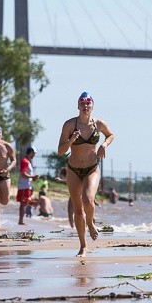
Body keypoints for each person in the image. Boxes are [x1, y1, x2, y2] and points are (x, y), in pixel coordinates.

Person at [58, 91, 115, 256]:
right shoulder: (69, 125)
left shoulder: (99, 124)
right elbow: (61, 151)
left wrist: (104, 144)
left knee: (88, 199)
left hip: (92, 168)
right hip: (73, 170)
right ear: (78, 106)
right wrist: (70, 141)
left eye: (88, 103)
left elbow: (111, 135)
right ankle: (83, 246)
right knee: (77, 209)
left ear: (92, 106)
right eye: (82, 103)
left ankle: (90, 223)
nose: (85, 105)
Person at [17, 147, 40, 225]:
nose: (34, 155)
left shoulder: (28, 162)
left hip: (27, 186)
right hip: (24, 186)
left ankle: (21, 220)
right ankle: (21, 221)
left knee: (25, 203)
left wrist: (33, 178)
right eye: (34, 153)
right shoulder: (25, 161)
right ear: (31, 152)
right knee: (23, 203)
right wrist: (33, 177)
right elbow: (23, 174)